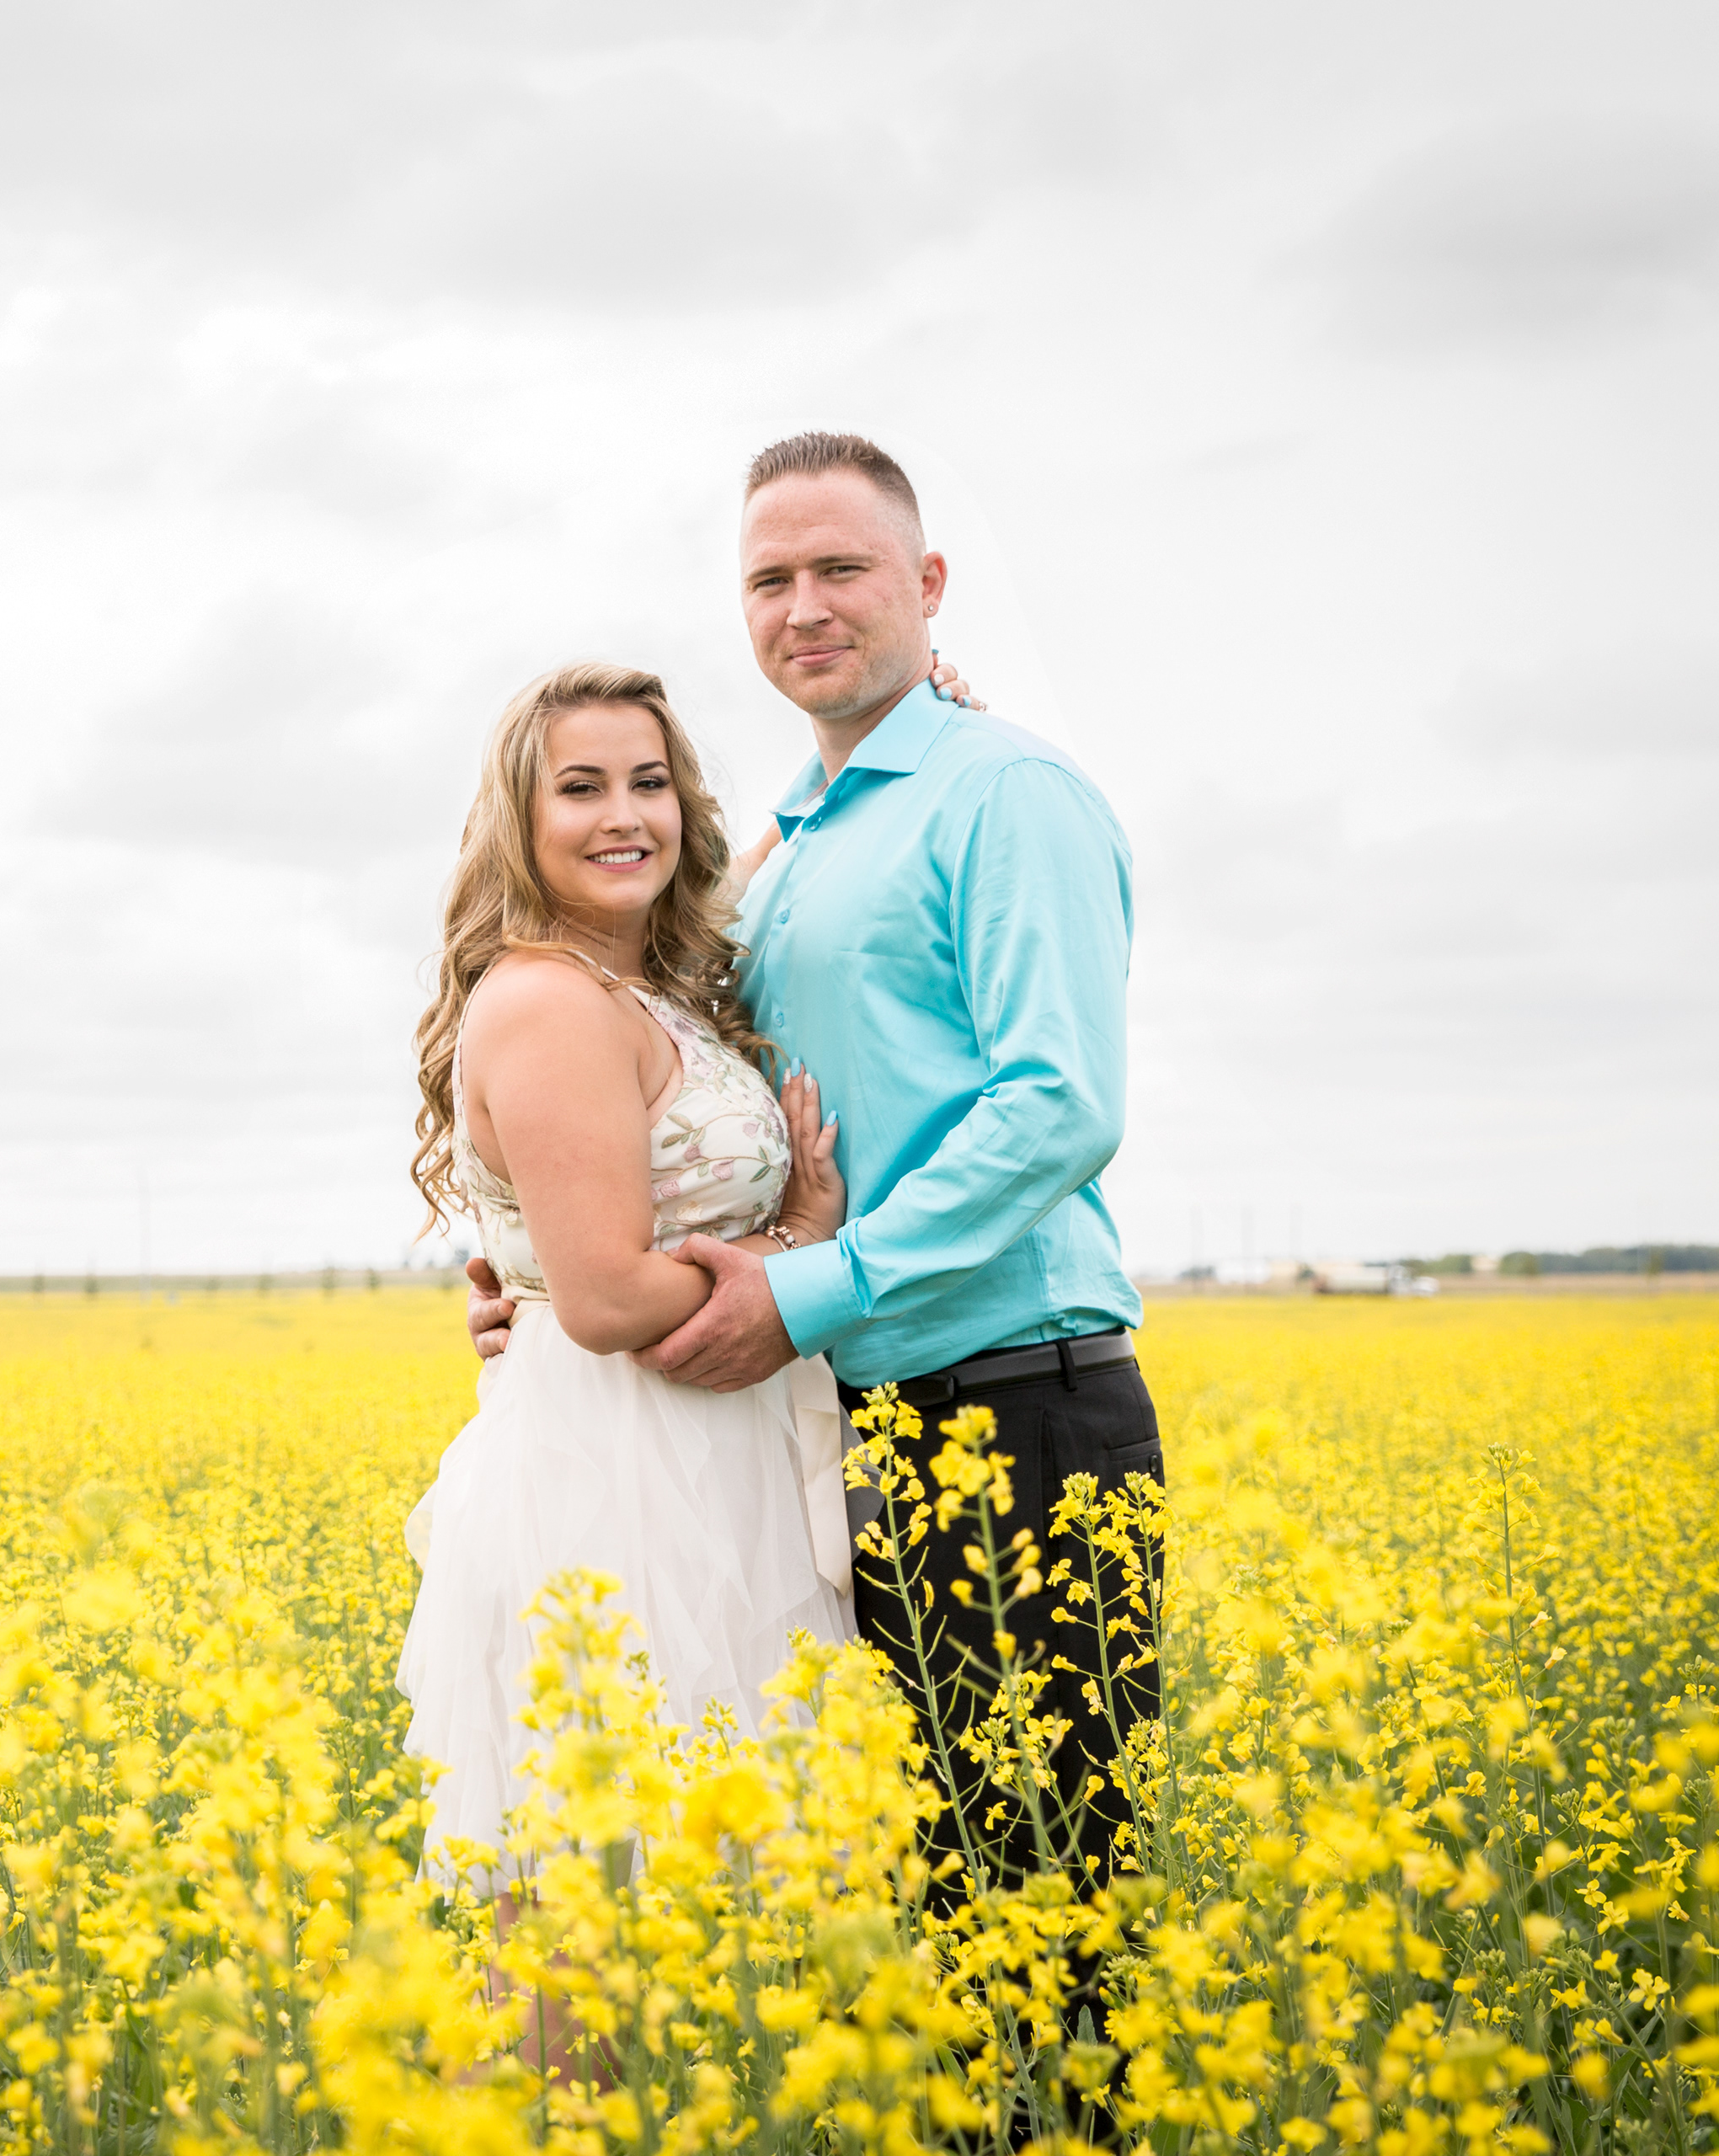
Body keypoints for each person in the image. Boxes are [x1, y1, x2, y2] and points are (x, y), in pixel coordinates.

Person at [464, 432, 1164, 1926]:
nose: (805, 606)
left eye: (841, 567)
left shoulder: (1008, 794)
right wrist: (551, 1280)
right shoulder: (784, 850)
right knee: (921, 1926)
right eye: (769, 579)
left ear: (927, 584)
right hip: (839, 1428)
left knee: (1035, 1918)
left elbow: (1059, 1108)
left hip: (1014, 1405)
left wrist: (805, 1285)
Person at [395, 660, 861, 1956]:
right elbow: (603, 1296)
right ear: (519, 822)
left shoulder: (640, 984)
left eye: (651, 784)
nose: (625, 817)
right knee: (583, 1927)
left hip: (704, 1454)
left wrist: (871, 746)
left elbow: (752, 862)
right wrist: (801, 1246)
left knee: (691, 1917)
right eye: (582, 788)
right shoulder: (548, 998)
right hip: (618, 1474)